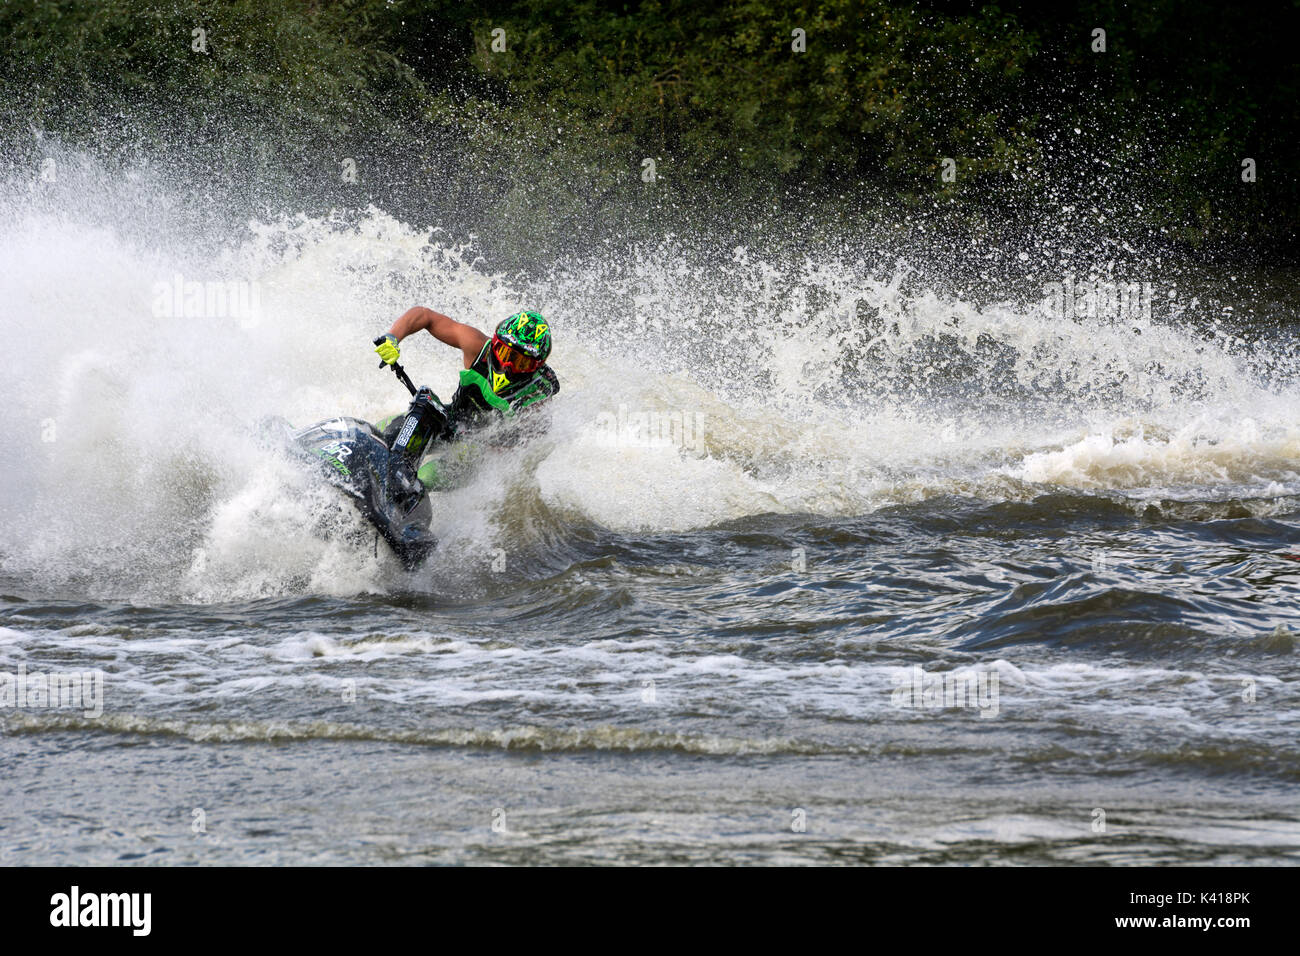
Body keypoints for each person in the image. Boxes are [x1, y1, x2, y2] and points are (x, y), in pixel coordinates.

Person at [372, 308, 559, 489]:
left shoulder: (537, 395)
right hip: (450, 422)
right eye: (505, 353)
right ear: (495, 343)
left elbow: (532, 446)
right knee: (381, 434)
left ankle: (408, 495)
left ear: (536, 366)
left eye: (521, 362)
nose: (507, 366)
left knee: (424, 477)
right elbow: (425, 316)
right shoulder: (476, 346)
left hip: (480, 453)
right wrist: (392, 338)